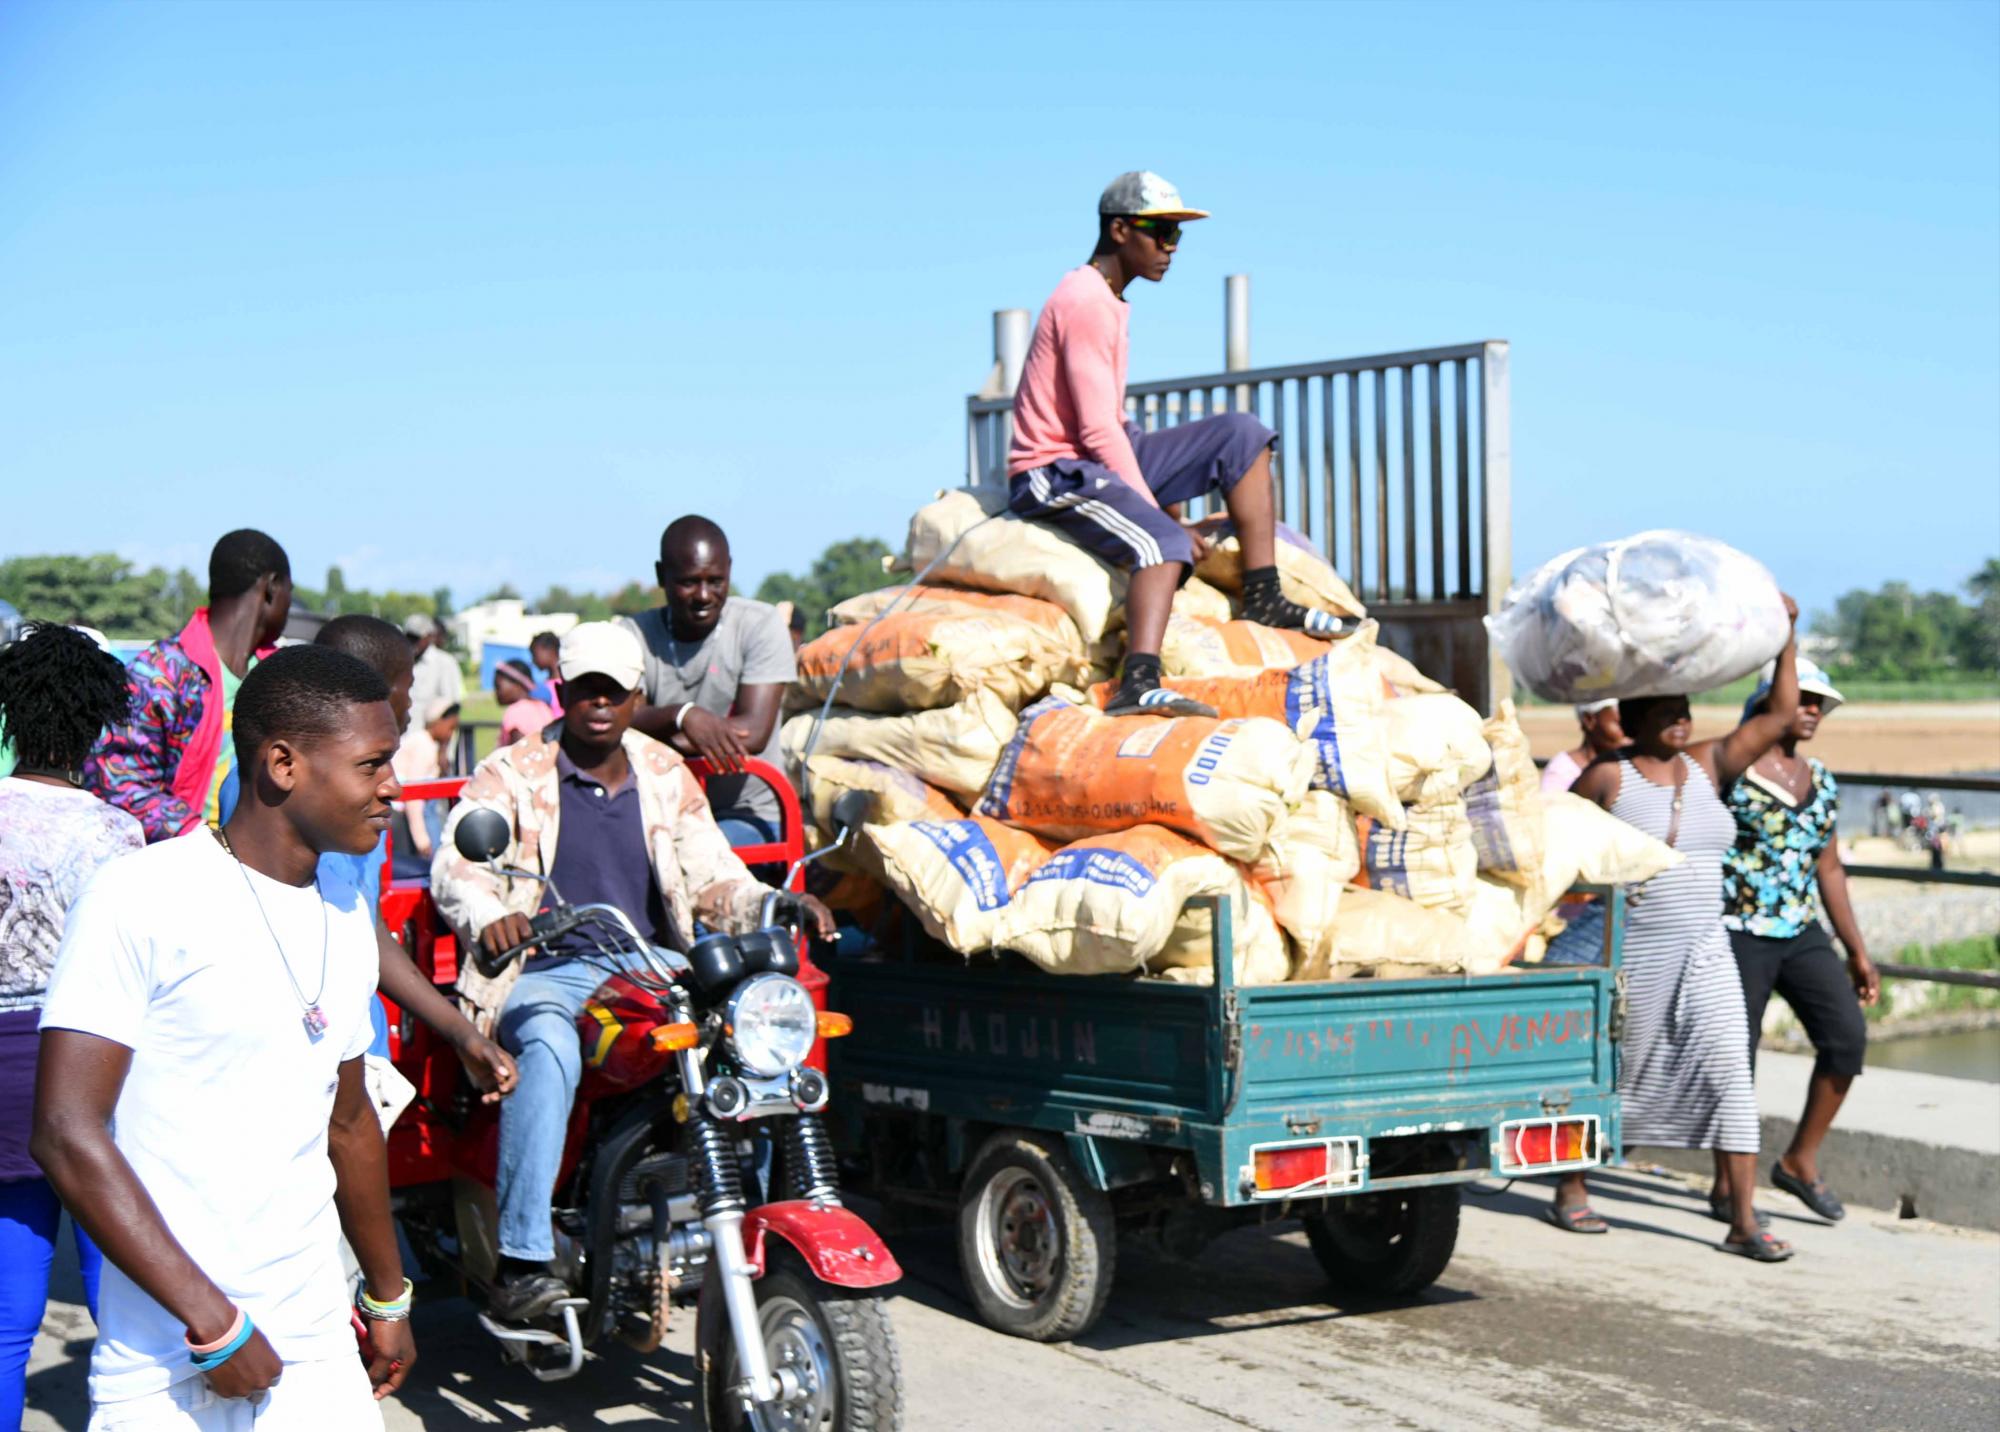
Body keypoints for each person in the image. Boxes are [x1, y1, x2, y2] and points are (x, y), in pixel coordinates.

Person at [32, 646, 417, 1427]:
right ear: (283, 763)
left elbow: (349, 1123)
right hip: (166, 1362)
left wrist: (387, 1292)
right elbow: (67, 1132)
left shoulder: (344, 913)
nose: (394, 788)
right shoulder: (141, 895)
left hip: (314, 1350)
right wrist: (213, 1320)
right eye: (372, 764)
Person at [429, 622, 833, 1321]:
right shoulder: (512, 773)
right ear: (562, 690)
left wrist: (774, 901)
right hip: (544, 968)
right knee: (548, 1048)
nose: (599, 704)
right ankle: (523, 1261)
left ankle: (769, 1203)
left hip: (651, 965)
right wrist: (488, 914)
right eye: (585, 689)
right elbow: (457, 869)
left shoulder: (662, 772)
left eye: (614, 691)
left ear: (636, 694)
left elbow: (713, 872)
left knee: (754, 1021)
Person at [1006, 171, 1336, 720]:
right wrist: (1162, 513)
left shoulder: (1109, 299)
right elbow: (1094, 432)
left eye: (1177, 237)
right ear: (1118, 231)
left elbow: (1113, 424)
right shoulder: (1084, 299)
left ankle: (1264, 594)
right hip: (1054, 469)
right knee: (1163, 541)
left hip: (1098, 455)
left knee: (1242, 435)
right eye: (1160, 233)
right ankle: (1138, 680)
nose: (1170, 248)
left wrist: (1160, 484)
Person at [1547, 596, 1803, 1262]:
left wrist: (1785, 635)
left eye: (1686, 711)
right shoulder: (1608, 778)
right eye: (1667, 713)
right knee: (1617, 1071)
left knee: (1730, 1074)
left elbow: (1778, 714)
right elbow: (1557, 854)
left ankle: (1743, 1221)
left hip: (1705, 949)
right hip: (1634, 950)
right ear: (1633, 721)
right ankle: (1572, 1185)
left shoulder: (1709, 766)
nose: (1683, 722)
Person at [0, 626, 144, 1428]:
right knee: (119, 1305)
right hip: (89, 1079)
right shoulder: (116, 835)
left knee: (5, 1318)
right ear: (96, 723)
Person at [311, 617, 516, 1098]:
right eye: (408, 687)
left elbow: (363, 927)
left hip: (363, 1048)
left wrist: (460, 1031)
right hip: (317, 1067)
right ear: (375, 693)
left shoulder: (371, 796)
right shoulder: (291, 797)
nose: (411, 702)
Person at [1721, 658, 1876, 1223]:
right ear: (1772, 702)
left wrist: (1856, 950)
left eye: (1821, 705)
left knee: (1845, 1038)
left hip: (1799, 930)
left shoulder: (1822, 779)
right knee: (1736, 1059)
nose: (1812, 711)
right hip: (1738, 931)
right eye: (1803, 699)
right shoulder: (1734, 769)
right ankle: (1726, 1187)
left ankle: (1799, 1161)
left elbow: (1828, 867)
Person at [85, 530, 292, 841]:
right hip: (177, 867)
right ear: (272, 587)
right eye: (290, 591)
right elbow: (119, 782)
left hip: (263, 866)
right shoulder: (159, 673)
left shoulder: (280, 676)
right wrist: (204, 839)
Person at [620, 517, 797, 845]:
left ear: (729, 569)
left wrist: (652, 742)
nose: (703, 595)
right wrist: (684, 715)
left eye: (716, 580)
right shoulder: (633, 635)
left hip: (747, 813)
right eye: (689, 582)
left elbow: (753, 732)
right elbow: (620, 717)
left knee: (687, 855)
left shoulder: (759, 625)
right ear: (662, 576)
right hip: (661, 810)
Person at [390, 700, 458, 880]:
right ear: (437, 722)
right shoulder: (424, 746)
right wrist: (421, 838)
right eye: (450, 728)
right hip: (399, 815)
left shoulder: (427, 743)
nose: (452, 734)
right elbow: (414, 793)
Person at [1541, 698, 1625, 794]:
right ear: (1589, 720)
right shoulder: (1561, 771)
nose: (1627, 733)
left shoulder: (1628, 764)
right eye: (1620, 724)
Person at [403, 613, 463, 720]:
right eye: (409, 637)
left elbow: (451, 704)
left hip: (429, 735)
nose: (412, 642)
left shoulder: (445, 662)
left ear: (429, 636)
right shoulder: (403, 661)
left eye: (416, 638)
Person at [528, 632, 564, 712]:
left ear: (549, 650)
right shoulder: (544, 686)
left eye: (534, 655)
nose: (533, 660)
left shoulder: (567, 683)